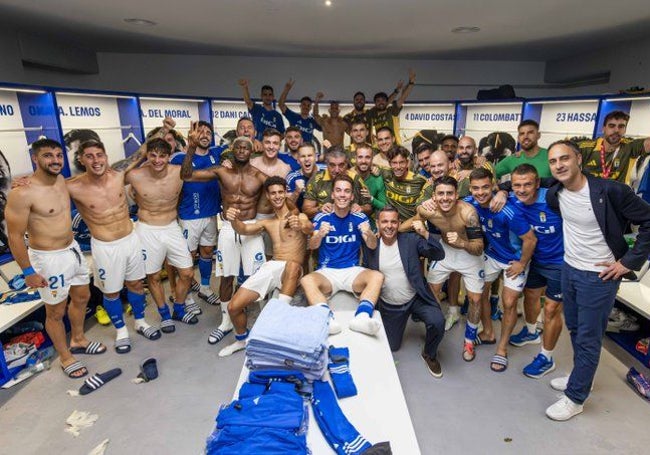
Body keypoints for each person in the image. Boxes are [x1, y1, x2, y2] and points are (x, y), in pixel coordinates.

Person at [543, 140, 650, 421]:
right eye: (553, 161)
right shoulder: (556, 192)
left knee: (589, 338)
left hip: (599, 276)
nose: (559, 166)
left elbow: (649, 220)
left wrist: (628, 262)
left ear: (579, 159)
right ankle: (582, 377)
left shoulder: (611, 190)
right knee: (576, 329)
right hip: (570, 269)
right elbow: (530, 180)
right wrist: (502, 190)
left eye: (564, 158)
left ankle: (576, 398)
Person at [5, 139, 105, 378]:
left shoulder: (61, 180)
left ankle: (78, 339)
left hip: (72, 250)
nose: (55, 160)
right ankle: (65, 357)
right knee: (55, 312)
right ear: (35, 159)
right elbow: (15, 237)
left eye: (59, 155)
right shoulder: (22, 193)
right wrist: (28, 272)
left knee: (82, 296)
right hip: (48, 258)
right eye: (48, 155)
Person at [62, 140, 162, 354]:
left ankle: (140, 321)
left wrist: (164, 129)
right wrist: (27, 182)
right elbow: (45, 187)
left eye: (99, 155)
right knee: (112, 292)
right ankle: (121, 331)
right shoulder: (72, 185)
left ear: (106, 156)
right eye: (89, 156)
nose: (96, 160)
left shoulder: (118, 175)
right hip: (105, 247)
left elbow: (140, 152)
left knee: (136, 284)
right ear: (81, 159)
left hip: (130, 239)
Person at [181, 135, 268, 345]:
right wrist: (191, 149)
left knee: (258, 277)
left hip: (250, 228)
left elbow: (280, 194)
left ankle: (265, 322)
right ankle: (226, 321)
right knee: (226, 276)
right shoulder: (221, 171)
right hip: (229, 229)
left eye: (245, 147)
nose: (241, 150)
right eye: (237, 146)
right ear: (232, 149)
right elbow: (186, 175)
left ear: (251, 151)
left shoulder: (260, 176)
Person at [218, 176, 313, 357]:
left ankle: (275, 316)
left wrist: (300, 225)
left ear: (285, 193)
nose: (277, 196)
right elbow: (244, 230)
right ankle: (241, 340)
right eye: (273, 193)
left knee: (292, 266)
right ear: (268, 197)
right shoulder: (267, 222)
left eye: (280, 192)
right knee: (234, 306)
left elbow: (310, 228)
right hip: (273, 266)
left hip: (293, 270)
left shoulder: (298, 216)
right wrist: (232, 219)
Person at [401, 176, 484, 362]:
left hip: (469, 254)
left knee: (475, 299)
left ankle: (469, 340)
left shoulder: (468, 213)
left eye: (449, 193)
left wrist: (462, 242)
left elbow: (478, 246)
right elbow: (414, 221)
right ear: (434, 196)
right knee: (432, 291)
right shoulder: (428, 210)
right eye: (440, 194)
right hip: (445, 251)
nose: (445, 198)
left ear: (457, 195)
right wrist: (391, 230)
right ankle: (435, 329)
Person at [467, 168, 537, 373]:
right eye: (476, 188)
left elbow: (531, 239)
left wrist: (522, 263)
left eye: (485, 188)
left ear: (494, 186)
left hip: (514, 260)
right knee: (481, 294)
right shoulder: (471, 202)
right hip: (492, 255)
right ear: (470, 189)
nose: (480, 193)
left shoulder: (508, 211)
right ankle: (488, 332)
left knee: (509, 302)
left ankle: (502, 348)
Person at [362, 206, 445, 378]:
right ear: (377, 224)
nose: (389, 226)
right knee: (392, 346)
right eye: (384, 221)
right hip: (390, 305)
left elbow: (439, 254)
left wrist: (425, 234)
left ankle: (429, 354)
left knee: (437, 321)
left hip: (416, 298)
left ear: (399, 223)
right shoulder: (371, 245)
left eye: (393, 221)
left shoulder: (411, 240)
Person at [126, 138, 198, 333]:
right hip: (147, 229)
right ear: (147, 155)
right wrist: (140, 154)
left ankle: (180, 309)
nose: (157, 160)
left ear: (169, 156)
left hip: (172, 227)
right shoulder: (136, 175)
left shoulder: (178, 172)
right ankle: (164, 314)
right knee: (154, 276)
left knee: (187, 273)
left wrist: (191, 146)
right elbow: (115, 174)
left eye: (162, 156)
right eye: (153, 155)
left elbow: (192, 168)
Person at [301, 174, 384, 336]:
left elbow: (372, 246)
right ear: (332, 194)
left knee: (377, 277)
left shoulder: (359, 217)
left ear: (352, 196)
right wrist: (319, 235)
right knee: (306, 280)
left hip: (352, 271)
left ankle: (361, 317)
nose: (342, 195)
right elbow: (312, 246)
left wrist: (369, 233)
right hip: (327, 271)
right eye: (338, 190)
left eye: (347, 191)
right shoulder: (322, 216)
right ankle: (327, 318)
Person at [506, 164, 564, 379]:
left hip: (561, 261)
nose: (521, 190)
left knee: (550, 309)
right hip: (536, 259)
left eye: (527, 184)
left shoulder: (554, 200)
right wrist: (503, 192)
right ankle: (531, 332)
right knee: (530, 296)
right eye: (517, 185)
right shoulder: (513, 200)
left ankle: (546, 357)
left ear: (537, 184)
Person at [170, 120, 221, 309]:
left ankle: (205, 287)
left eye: (208, 132)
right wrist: (190, 147)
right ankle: (186, 294)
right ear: (192, 135)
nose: (205, 135)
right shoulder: (179, 158)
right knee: (187, 258)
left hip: (211, 214)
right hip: (190, 215)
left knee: (207, 252)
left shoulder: (217, 154)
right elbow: (182, 174)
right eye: (200, 132)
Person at [577, 110, 650, 183]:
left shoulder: (629, 147)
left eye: (621, 126)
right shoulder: (586, 148)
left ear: (625, 130)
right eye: (611, 126)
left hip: (617, 193)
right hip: (589, 193)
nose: (616, 130)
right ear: (603, 128)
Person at [302, 147, 371, 219]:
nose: (337, 170)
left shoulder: (355, 179)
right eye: (332, 165)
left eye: (341, 165)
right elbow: (306, 210)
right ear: (326, 164)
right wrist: (320, 208)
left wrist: (361, 208)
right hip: (324, 224)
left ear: (347, 164)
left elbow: (369, 208)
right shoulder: (316, 180)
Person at [377, 146, 430, 221]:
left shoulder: (420, 180)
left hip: (411, 227)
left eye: (401, 162)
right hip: (391, 223)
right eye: (394, 163)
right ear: (389, 163)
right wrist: (373, 169)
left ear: (407, 162)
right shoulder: (385, 173)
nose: (398, 167)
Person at [367, 69, 416, 144]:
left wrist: (411, 83)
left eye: (383, 100)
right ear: (375, 103)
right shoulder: (372, 113)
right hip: (381, 147)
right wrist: (396, 91)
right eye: (378, 101)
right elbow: (383, 104)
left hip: (395, 147)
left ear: (386, 101)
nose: (380, 103)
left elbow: (402, 98)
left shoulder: (391, 111)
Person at [277, 79, 321, 144]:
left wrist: (317, 101)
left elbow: (324, 129)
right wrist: (286, 89)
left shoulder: (312, 121)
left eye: (308, 105)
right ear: (300, 106)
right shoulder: (293, 116)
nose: (306, 107)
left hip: (307, 150)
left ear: (310, 108)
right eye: (304, 104)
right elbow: (281, 104)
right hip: (295, 150)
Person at [354, 144, 387, 229]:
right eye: (360, 157)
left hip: (370, 224)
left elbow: (384, 206)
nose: (364, 161)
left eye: (367, 157)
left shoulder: (377, 179)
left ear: (372, 159)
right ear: (355, 158)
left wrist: (371, 199)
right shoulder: (348, 176)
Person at [287, 143, 324, 210]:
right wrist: (296, 192)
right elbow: (287, 206)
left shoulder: (326, 171)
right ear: (298, 160)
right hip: (302, 216)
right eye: (303, 156)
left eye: (309, 155)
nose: (306, 159)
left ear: (316, 158)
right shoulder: (292, 177)